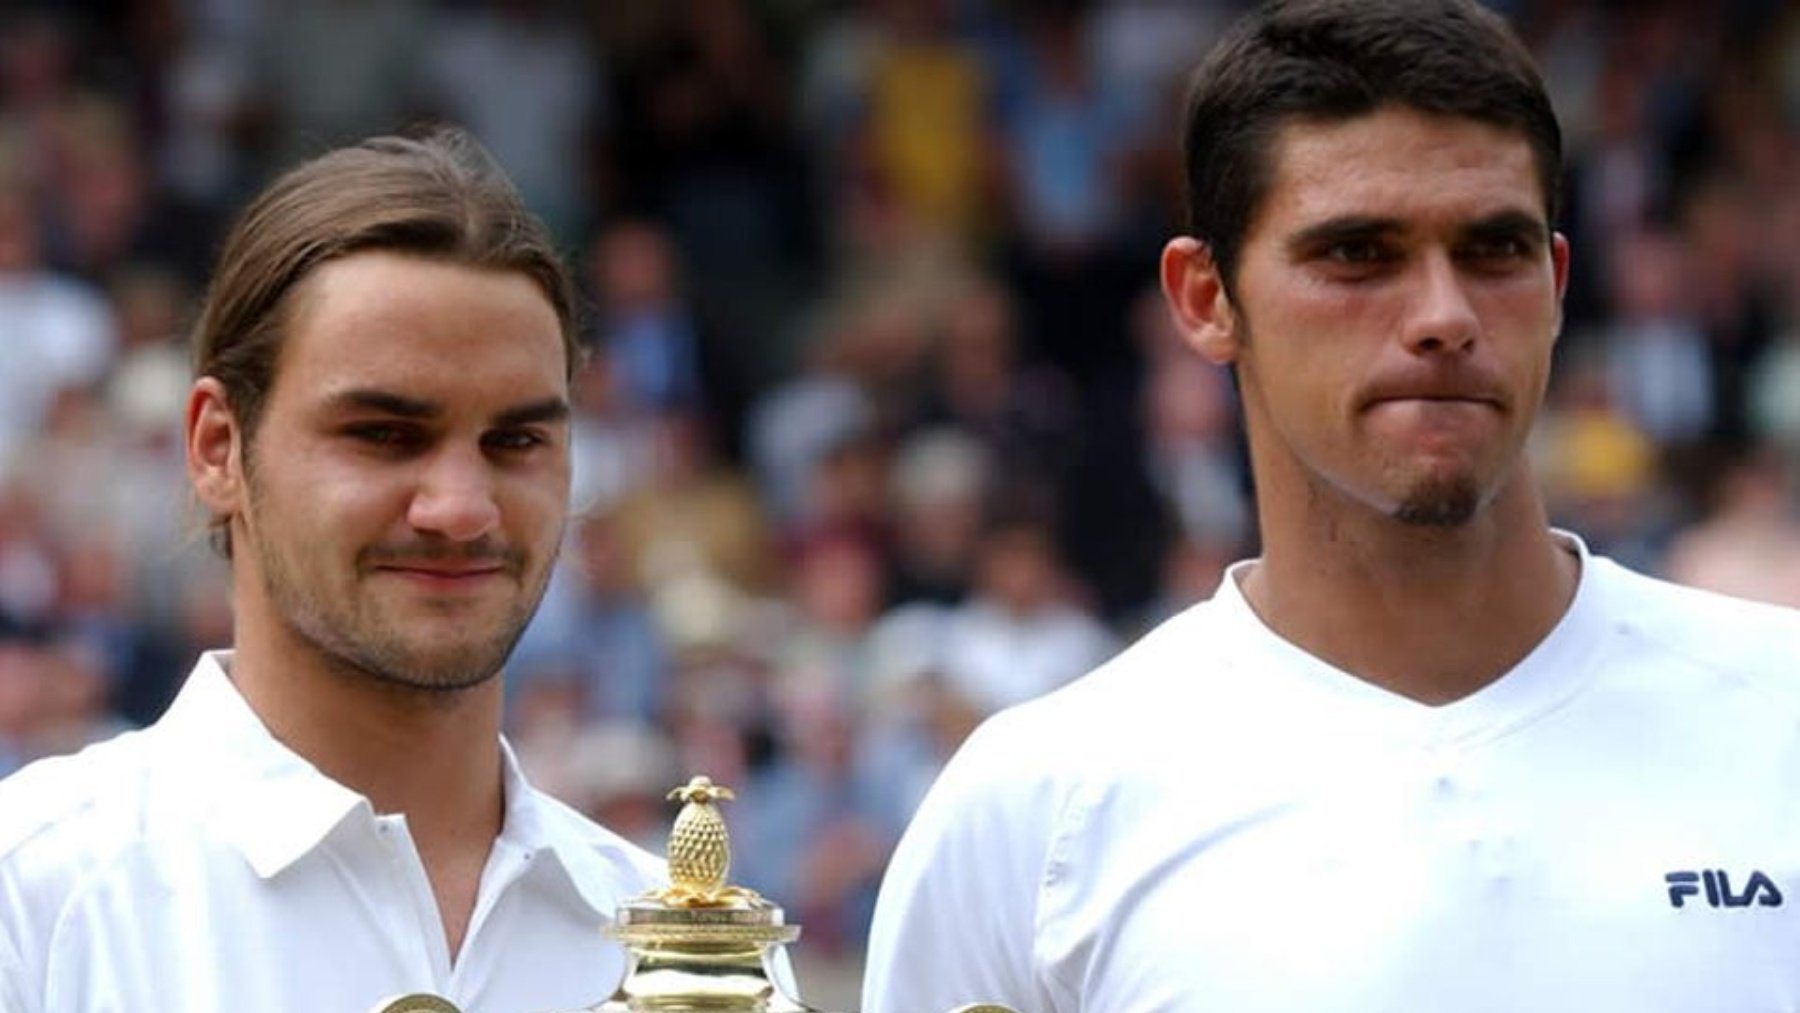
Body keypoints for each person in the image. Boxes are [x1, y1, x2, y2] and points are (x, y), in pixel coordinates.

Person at [861, 2, 1800, 1010]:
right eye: (1357, 253)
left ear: (1558, 283)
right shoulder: (1037, 812)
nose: (1444, 315)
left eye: (1494, 249)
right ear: (1204, 299)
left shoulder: (1778, 714)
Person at [0, 129, 664, 1013]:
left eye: (515, 440)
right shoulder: (32, 901)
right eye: (383, 434)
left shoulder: (682, 943)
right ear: (217, 447)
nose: (461, 507)